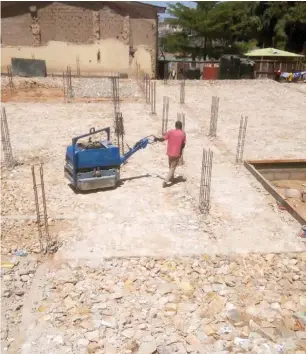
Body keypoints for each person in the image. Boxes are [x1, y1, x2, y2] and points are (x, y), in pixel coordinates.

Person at [155, 121, 186, 187]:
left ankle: (172, 178)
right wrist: (180, 152)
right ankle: (166, 181)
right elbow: (183, 145)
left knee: (170, 166)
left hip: (169, 152)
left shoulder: (170, 132)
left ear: (175, 126)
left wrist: (157, 138)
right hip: (177, 153)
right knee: (172, 168)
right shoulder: (183, 134)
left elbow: (163, 139)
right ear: (181, 126)